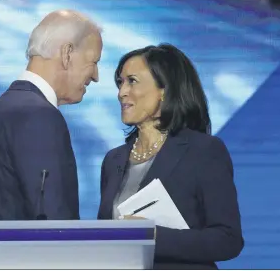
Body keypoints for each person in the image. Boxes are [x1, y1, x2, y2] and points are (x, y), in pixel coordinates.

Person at [97, 44, 243, 269]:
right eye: (120, 82)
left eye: (132, 81)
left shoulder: (203, 151)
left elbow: (228, 240)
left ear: (164, 89)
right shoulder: (113, 160)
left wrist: (152, 236)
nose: (121, 92)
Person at [0, 10, 103, 220]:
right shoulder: (40, 118)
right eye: (94, 61)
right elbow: (54, 224)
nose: (96, 76)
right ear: (67, 54)